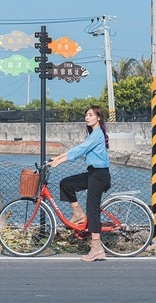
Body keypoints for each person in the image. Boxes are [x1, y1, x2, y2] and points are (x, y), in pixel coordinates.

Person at [48, 105, 111, 262]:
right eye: (86, 115)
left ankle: (97, 249)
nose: (87, 117)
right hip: (92, 173)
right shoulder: (93, 134)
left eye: (91, 115)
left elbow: (80, 150)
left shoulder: (97, 135)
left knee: (93, 209)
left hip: (99, 175)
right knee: (66, 183)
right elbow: (78, 149)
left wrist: (60, 161)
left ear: (99, 118)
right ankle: (78, 213)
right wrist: (57, 158)